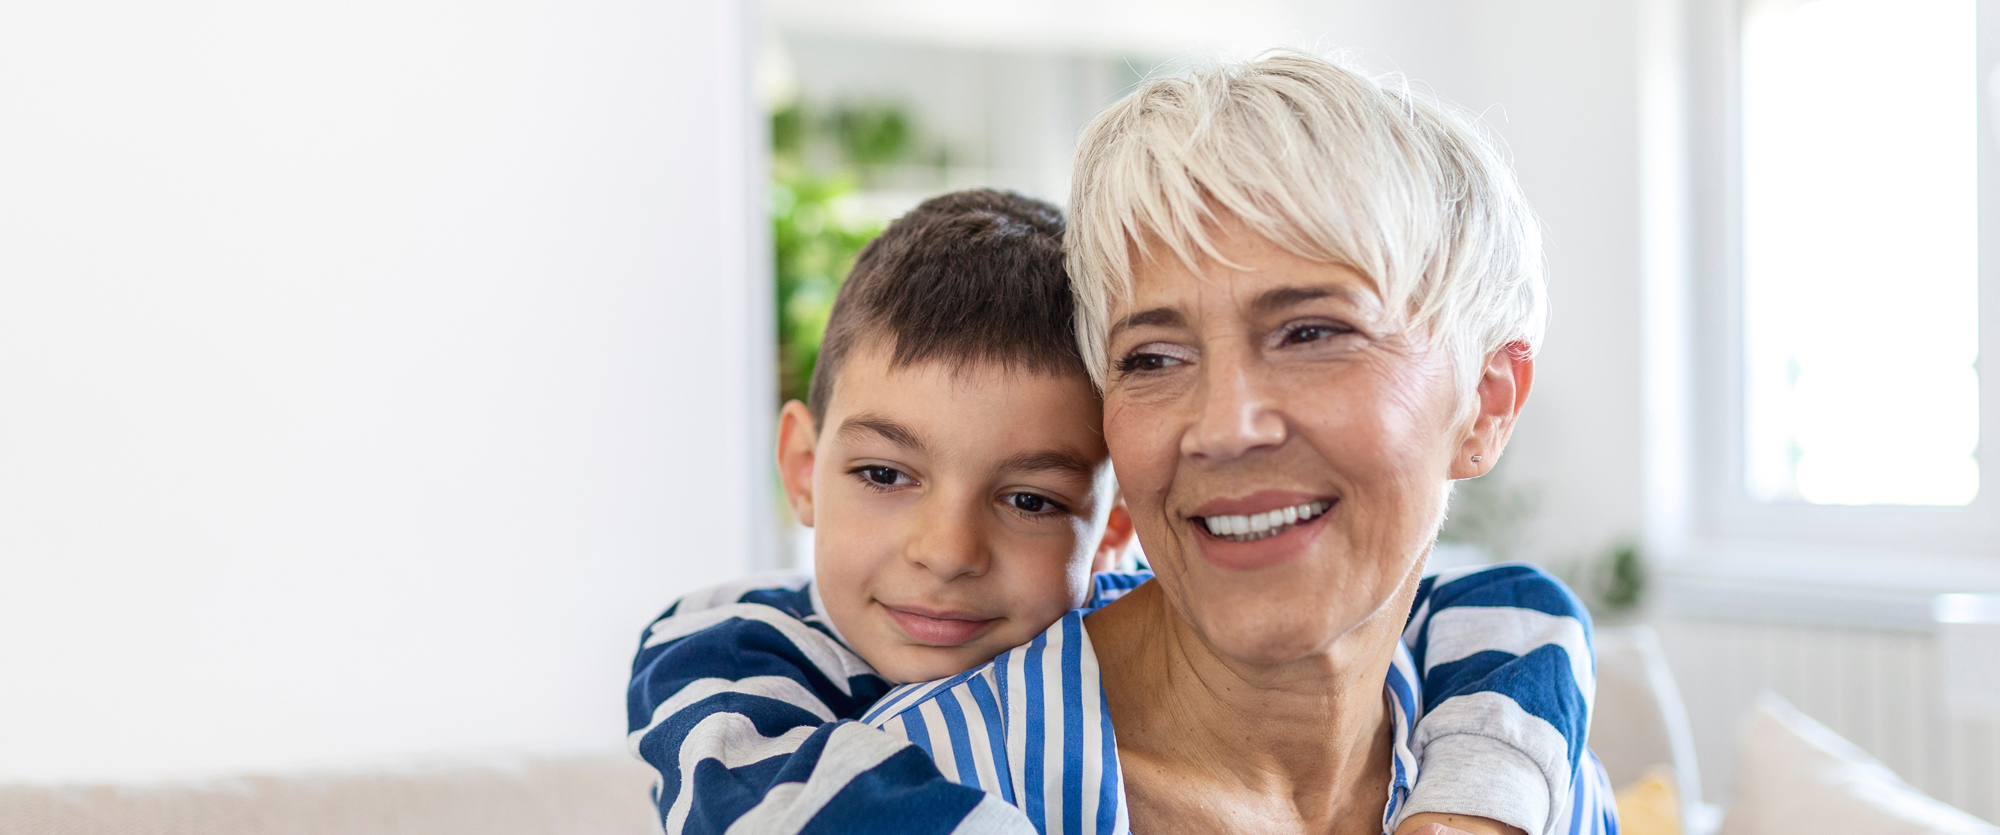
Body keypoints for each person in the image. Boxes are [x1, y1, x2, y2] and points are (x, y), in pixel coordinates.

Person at [628, 189, 1596, 835]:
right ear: (802, 464)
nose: (946, 550)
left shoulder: (1150, 611)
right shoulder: (733, 653)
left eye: (1028, 499)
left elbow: (1507, 599)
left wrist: (1475, 800)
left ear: (1118, 520)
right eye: (885, 475)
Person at [866, 53, 1616, 835]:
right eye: (1153, 358)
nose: (1225, 428)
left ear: (1488, 404)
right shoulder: (915, 788)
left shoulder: (1531, 787)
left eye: (1313, 333)